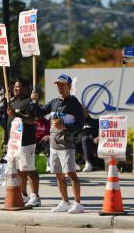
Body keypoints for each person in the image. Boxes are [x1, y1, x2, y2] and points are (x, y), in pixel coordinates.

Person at [31, 73, 85, 214]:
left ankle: (78, 203)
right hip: (53, 144)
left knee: (71, 174)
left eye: (62, 85)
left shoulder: (74, 104)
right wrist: (35, 102)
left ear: (69, 86)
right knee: (58, 175)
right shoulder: (54, 102)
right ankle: (65, 201)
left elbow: (80, 125)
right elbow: (40, 113)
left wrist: (66, 127)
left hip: (66, 144)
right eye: (58, 85)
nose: (60, 88)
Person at [7, 79, 41, 207]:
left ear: (26, 89)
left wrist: (16, 114)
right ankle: (24, 195)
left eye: (19, 87)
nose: (15, 89)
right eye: (14, 87)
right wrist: (6, 140)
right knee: (20, 171)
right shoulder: (12, 102)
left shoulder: (29, 103)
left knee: (30, 169)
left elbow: (32, 120)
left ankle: (35, 196)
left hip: (26, 142)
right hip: (15, 142)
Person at [74, 106, 101, 172]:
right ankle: (72, 163)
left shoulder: (95, 122)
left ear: (88, 112)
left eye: (84, 111)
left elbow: (103, 132)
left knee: (85, 139)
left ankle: (88, 164)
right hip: (78, 143)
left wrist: (98, 137)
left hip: (90, 142)